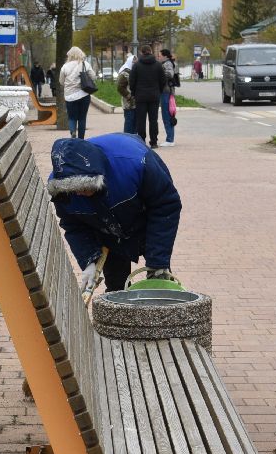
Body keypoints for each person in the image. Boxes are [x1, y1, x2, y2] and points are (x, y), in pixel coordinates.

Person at [47, 133, 182, 295]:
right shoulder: (61, 189)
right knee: (116, 287)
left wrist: (158, 262)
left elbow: (165, 205)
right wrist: (89, 260)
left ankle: (160, 285)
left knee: (159, 281)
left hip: (144, 215)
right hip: (105, 229)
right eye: (75, 190)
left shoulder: (136, 164)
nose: (80, 193)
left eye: (85, 187)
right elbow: (73, 225)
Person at [129, 45, 166, 148]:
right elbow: (163, 80)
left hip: (140, 96)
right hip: (154, 96)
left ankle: (141, 141)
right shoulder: (158, 65)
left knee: (141, 120)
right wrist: (159, 91)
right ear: (151, 51)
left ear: (141, 52)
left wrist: (134, 92)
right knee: (153, 120)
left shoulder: (136, 66)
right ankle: (154, 142)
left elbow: (131, 81)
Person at [58, 46, 93, 139]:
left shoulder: (65, 67)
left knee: (72, 117)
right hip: (84, 94)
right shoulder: (85, 64)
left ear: (69, 55)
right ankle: (81, 139)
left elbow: (61, 81)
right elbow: (93, 77)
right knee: (82, 118)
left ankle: (73, 132)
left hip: (70, 96)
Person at [158, 48, 181, 147]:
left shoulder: (167, 64)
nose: (158, 57)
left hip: (166, 92)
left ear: (165, 56)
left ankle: (170, 139)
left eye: (160, 55)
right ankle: (170, 138)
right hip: (166, 92)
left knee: (167, 115)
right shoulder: (167, 63)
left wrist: (158, 76)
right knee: (167, 114)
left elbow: (169, 74)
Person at [115, 53, 137, 135]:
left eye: (136, 62)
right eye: (133, 62)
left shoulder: (136, 72)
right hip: (129, 103)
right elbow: (120, 88)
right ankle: (127, 139)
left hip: (137, 102)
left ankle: (134, 139)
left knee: (136, 123)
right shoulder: (124, 73)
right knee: (129, 122)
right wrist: (129, 96)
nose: (135, 63)